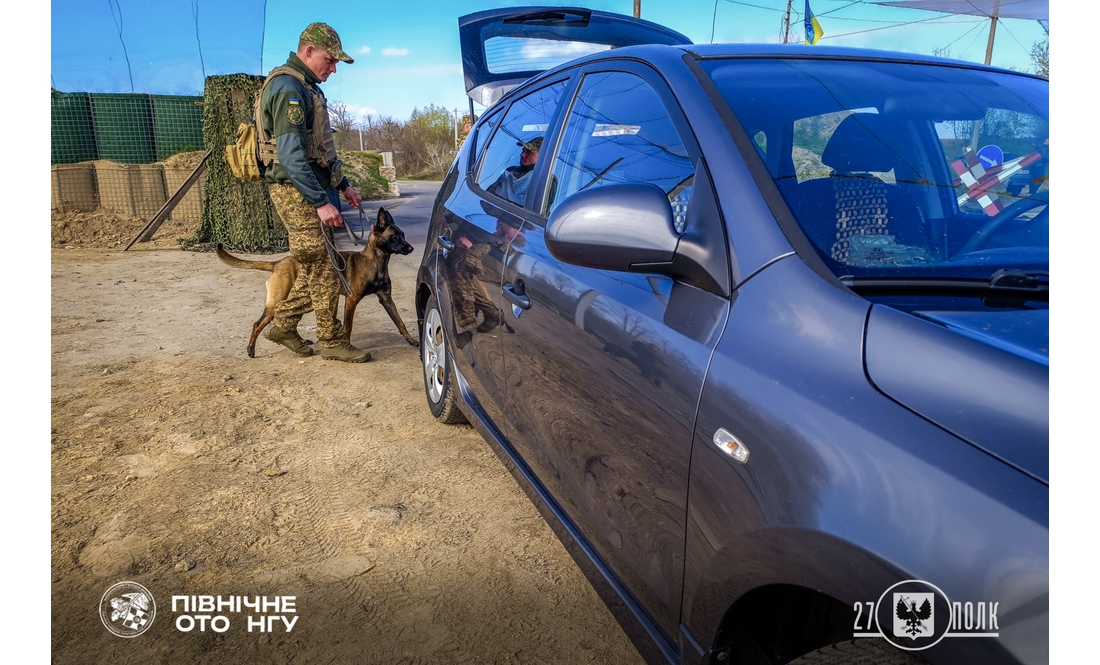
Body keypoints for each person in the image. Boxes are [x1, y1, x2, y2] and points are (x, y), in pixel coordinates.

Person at [257, 22, 370, 362]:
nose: (333, 68)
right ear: (308, 52)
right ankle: (331, 341)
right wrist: (321, 202)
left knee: (316, 267)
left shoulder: (307, 87)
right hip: (297, 192)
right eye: (330, 59)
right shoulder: (289, 89)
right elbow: (291, 156)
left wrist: (344, 185)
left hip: (314, 188)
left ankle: (284, 324)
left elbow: (321, 150)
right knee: (325, 267)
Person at [487, 136, 542, 206]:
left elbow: (539, 212)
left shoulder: (545, 180)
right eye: (523, 151)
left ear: (542, 156)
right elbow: (490, 192)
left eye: (529, 152)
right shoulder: (511, 171)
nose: (522, 155)